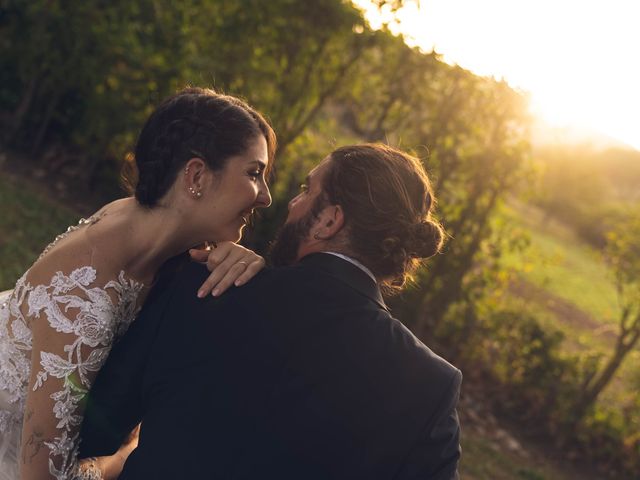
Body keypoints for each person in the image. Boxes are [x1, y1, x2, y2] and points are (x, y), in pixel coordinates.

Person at [79, 144, 462, 479]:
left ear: (330, 220)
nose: (291, 203)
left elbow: (96, 429)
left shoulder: (201, 286)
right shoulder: (430, 386)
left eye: (306, 190)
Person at [0, 87, 276, 480]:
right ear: (196, 175)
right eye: (254, 173)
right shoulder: (85, 296)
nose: (265, 196)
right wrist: (122, 459)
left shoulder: (146, 227)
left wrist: (240, 258)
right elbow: (40, 476)